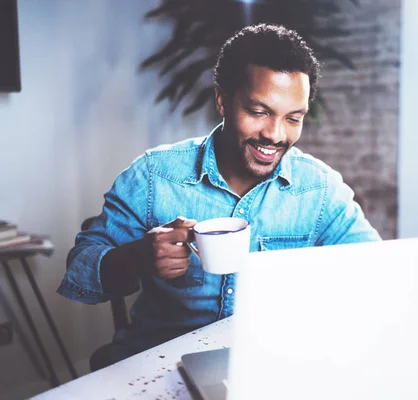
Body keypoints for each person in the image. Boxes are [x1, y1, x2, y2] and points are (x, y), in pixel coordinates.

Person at [58, 23, 381, 371]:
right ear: (223, 101)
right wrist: (137, 257)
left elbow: (377, 272)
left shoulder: (318, 189)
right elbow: (79, 274)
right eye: (259, 112)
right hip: (158, 366)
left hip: (268, 367)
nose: (275, 134)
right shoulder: (154, 176)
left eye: (293, 118)